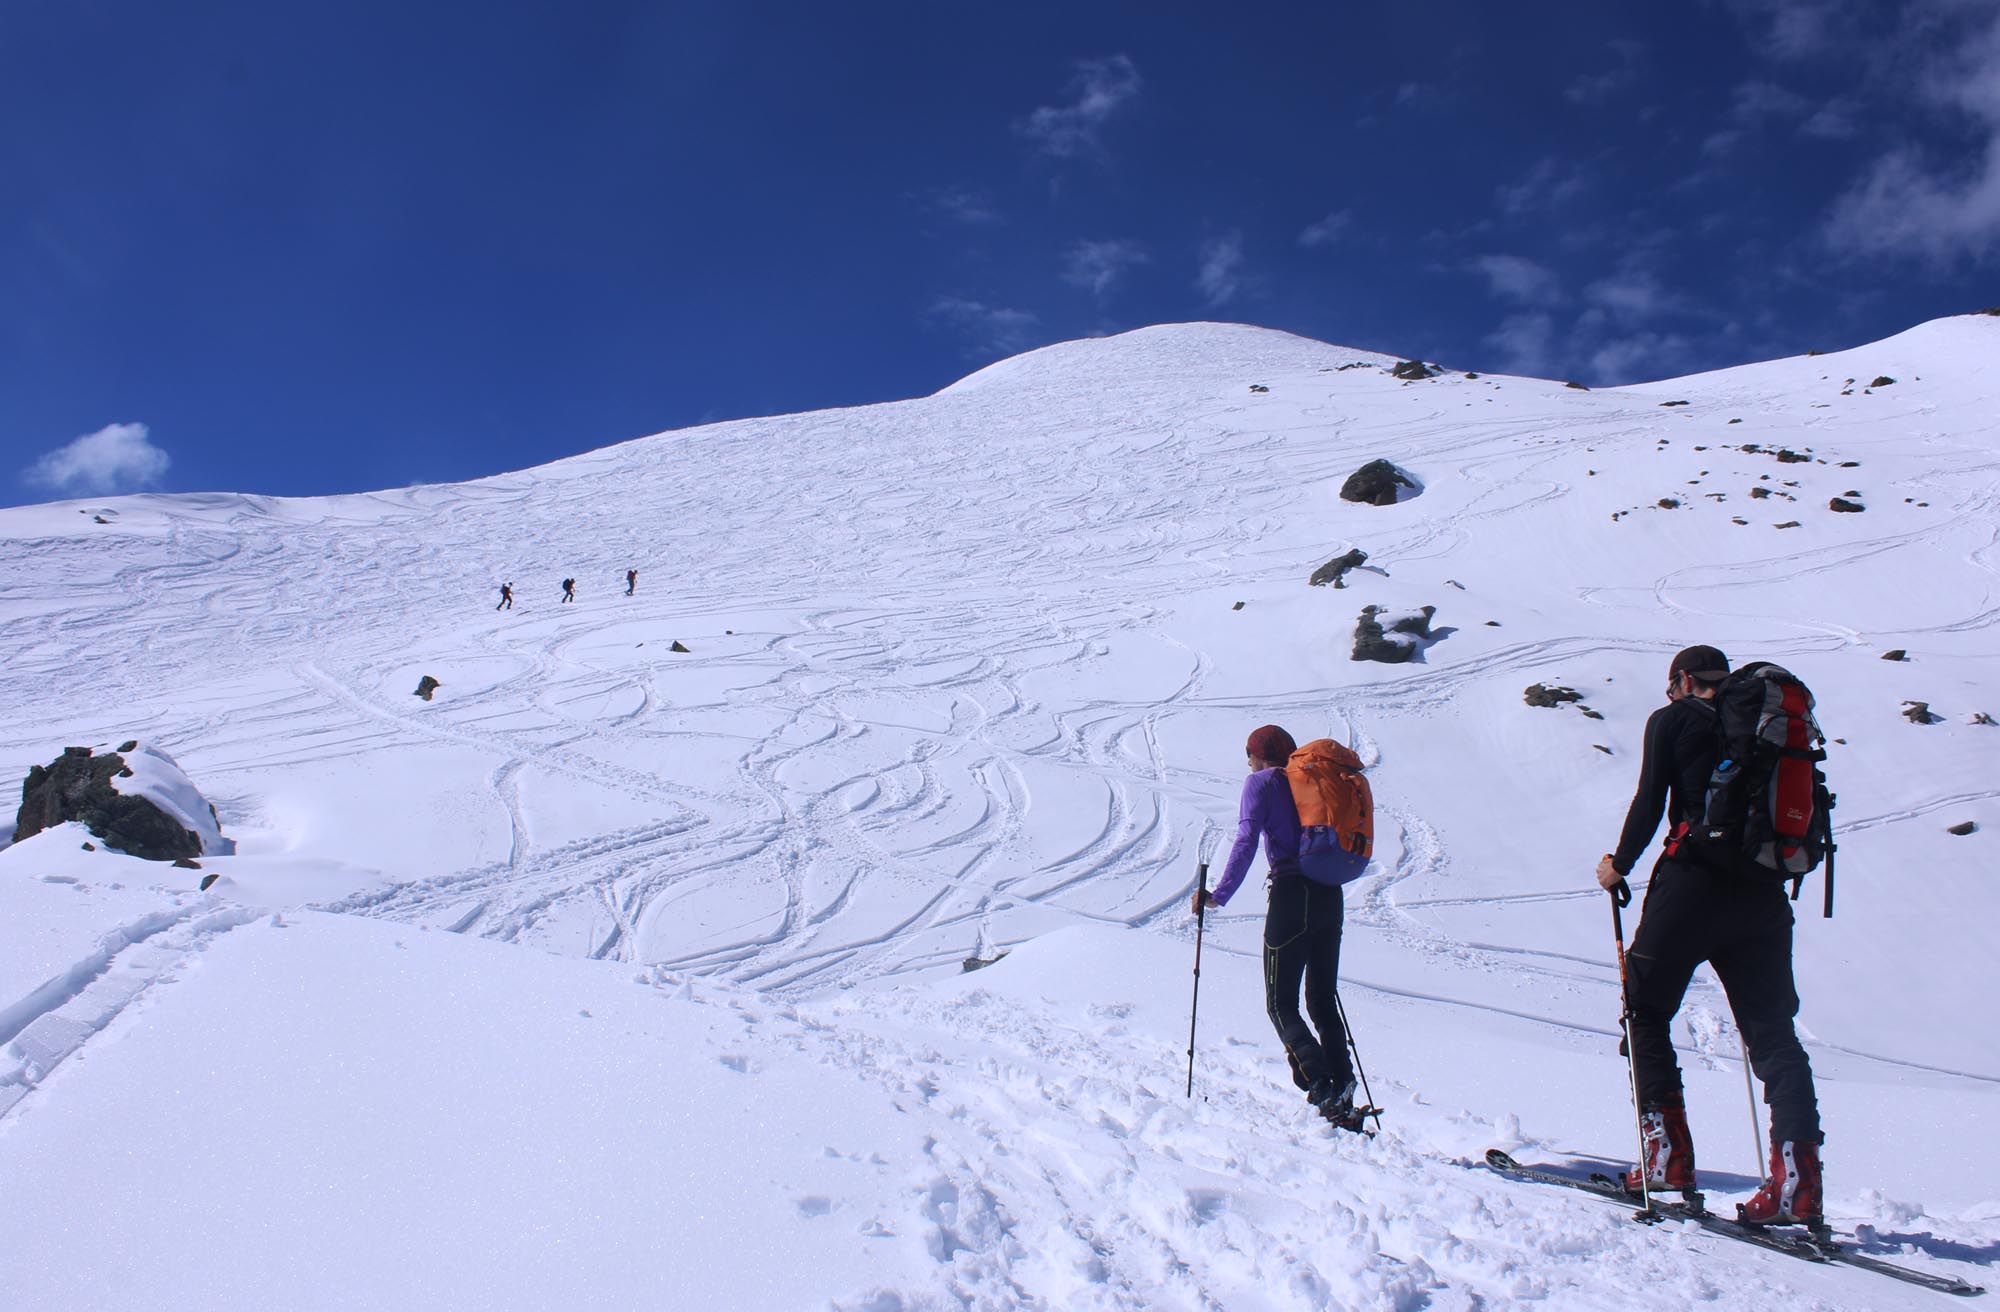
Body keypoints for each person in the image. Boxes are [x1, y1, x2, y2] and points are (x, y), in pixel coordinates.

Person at [1595, 644, 1824, 1226]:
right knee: (1774, 1035)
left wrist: (1618, 864)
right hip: (1763, 893)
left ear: (1680, 680)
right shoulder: (1765, 727)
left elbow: (1651, 801)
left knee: (1645, 1011)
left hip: (1691, 888)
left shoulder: (1673, 719)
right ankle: (1798, 1184)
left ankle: (1667, 1160)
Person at [1193, 724, 1359, 1127]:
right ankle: (1343, 1081)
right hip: (1330, 894)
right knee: (1322, 998)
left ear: (1258, 755)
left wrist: (1218, 895)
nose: (1248, 764)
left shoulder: (1262, 783)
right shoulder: (1312, 782)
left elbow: (1247, 839)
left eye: (1249, 755)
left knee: (1280, 1002)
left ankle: (1322, 1086)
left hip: (1291, 895)